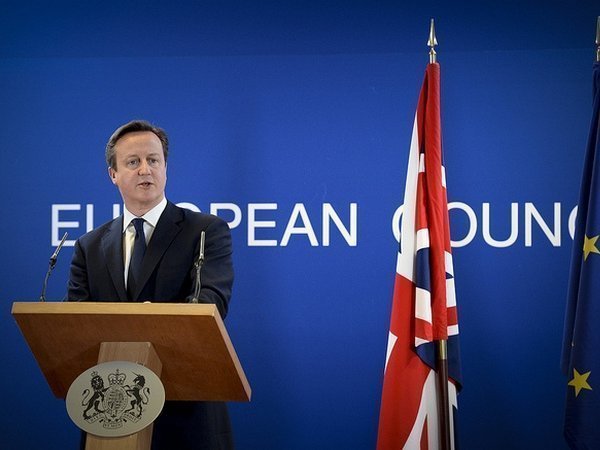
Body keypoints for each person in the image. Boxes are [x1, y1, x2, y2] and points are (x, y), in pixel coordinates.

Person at [68, 120, 235, 449]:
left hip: (187, 415)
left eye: (153, 160)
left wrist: (151, 322)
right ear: (113, 174)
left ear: (165, 168)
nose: (145, 169)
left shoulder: (205, 231)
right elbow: (74, 324)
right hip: (110, 419)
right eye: (133, 162)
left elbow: (211, 302)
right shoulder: (90, 246)